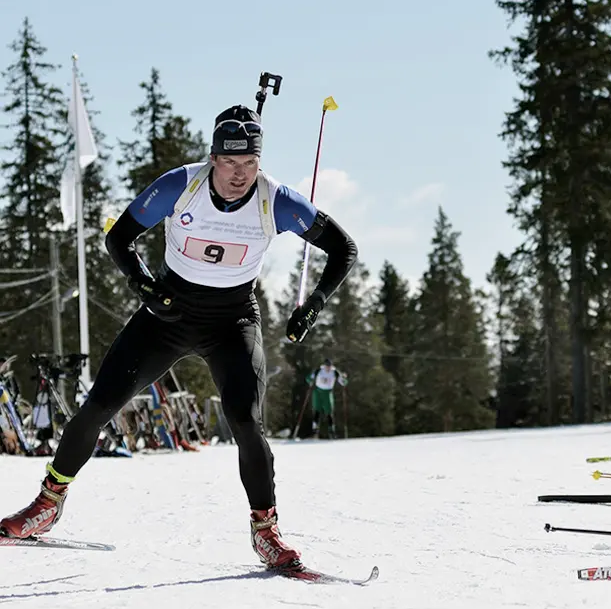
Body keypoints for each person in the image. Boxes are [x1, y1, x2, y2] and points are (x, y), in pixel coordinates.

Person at [0, 105, 358, 570]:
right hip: (167, 314)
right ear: (213, 159)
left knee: (245, 421)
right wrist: (145, 285)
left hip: (233, 321)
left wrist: (311, 306)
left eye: (250, 164)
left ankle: (266, 530)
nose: (239, 175)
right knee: (99, 406)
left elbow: (342, 248)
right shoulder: (181, 185)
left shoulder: (277, 201)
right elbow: (118, 238)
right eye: (230, 163)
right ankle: (47, 504)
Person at [307, 359, 339, 439]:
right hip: (318, 392)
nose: (328, 368)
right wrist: (309, 380)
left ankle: (331, 430)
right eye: (326, 366)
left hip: (327, 393)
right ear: (324, 365)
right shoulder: (319, 371)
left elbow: (342, 381)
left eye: (329, 366)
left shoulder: (334, 372)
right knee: (317, 410)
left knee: (329, 411)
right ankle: (314, 430)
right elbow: (309, 378)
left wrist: (344, 380)